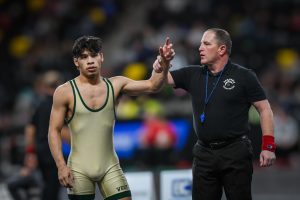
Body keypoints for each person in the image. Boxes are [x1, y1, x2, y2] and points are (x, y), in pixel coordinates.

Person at [153, 28, 276, 200]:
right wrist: (161, 64)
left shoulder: (244, 76)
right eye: (201, 43)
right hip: (204, 153)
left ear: (222, 49)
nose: (200, 48)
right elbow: (159, 82)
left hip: (235, 152)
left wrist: (268, 146)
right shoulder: (192, 74)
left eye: (206, 43)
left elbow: (265, 109)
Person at [48, 35, 174, 200]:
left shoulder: (116, 85)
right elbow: (53, 131)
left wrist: (163, 66)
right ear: (76, 62)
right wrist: (61, 166)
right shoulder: (64, 92)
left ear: (101, 57)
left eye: (94, 55)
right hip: (78, 168)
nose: (90, 61)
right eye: (84, 57)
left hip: (110, 166)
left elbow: (152, 85)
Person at [25, 70, 67, 200]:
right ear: (59, 85)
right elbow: (64, 131)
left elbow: (30, 130)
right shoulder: (58, 105)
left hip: (40, 152)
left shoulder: (40, 105)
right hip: (53, 152)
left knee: (47, 186)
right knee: (52, 189)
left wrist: (31, 152)